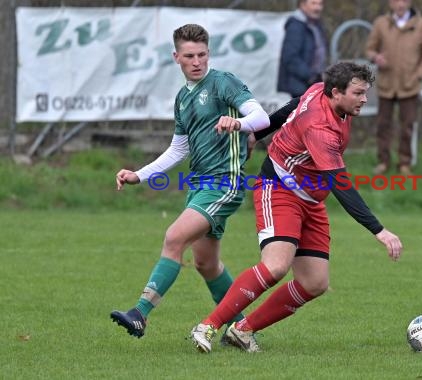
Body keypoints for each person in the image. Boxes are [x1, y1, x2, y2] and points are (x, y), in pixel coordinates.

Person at [189, 61, 403, 353]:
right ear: (336, 93)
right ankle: (207, 326)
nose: (364, 99)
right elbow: (341, 184)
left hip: (311, 199)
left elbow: (292, 105)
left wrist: (257, 133)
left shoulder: (319, 90)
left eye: (365, 92)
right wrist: (379, 231)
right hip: (279, 188)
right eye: (358, 93)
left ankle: (243, 330)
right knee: (276, 266)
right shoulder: (320, 127)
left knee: (314, 282)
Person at [110, 24, 271, 343]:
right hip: (199, 185)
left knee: (173, 238)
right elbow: (178, 149)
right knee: (206, 263)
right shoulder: (183, 97)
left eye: (201, 54)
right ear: (176, 57)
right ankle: (241, 329)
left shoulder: (223, 83)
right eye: (189, 56)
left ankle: (140, 313)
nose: (197, 61)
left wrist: (238, 122)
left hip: (225, 182)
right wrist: (139, 175)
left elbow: (262, 118)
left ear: (208, 54)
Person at [365, 0, 422, 175]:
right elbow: (369, 49)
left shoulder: (420, 24)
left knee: (407, 126)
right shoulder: (381, 23)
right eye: (396, 1)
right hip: (386, 84)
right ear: (390, 3)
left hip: (409, 85)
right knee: (383, 125)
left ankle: (405, 163)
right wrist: (375, 58)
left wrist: (419, 73)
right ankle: (383, 161)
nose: (400, 4)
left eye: (404, 1)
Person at [277, 0, 328, 98]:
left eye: (320, 4)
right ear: (302, 5)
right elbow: (290, 57)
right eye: (313, 3)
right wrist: (310, 77)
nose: (318, 8)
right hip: (301, 86)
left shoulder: (316, 24)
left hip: (314, 84)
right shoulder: (296, 25)